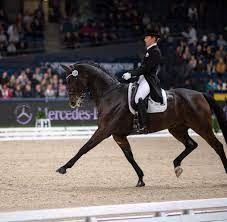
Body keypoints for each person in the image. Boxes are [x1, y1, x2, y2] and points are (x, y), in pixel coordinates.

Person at [122, 29, 162, 133]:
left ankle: (144, 125)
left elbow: (146, 69)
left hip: (149, 79)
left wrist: (131, 73)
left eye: (147, 37)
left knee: (139, 98)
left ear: (153, 38)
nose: (145, 39)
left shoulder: (155, 51)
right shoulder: (149, 51)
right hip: (143, 78)